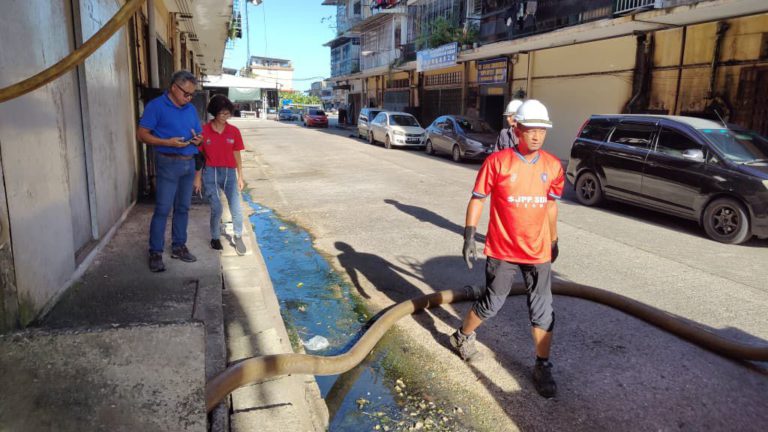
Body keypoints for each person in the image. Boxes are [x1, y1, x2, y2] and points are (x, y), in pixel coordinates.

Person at [452, 99, 564, 399]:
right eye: (531, 129)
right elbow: (478, 199)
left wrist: (553, 240)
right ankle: (462, 336)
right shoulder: (498, 162)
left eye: (542, 130)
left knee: (543, 309)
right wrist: (468, 235)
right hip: (502, 249)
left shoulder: (553, 167)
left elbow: (550, 205)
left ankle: (542, 364)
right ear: (517, 129)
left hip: (538, 250)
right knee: (492, 302)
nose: (537, 136)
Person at [137, 70, 203, 272]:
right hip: (168, 162)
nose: (189, 98)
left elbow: (198, 132)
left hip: (188, 163)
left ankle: (178, 246)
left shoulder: (190, 109)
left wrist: (198, 139)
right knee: (163, 209)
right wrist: (167, 142)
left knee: (183, 208)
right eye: (186, 93)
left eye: (192, 94)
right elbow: (142, 135)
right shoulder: (156, 107)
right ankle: (155, 252)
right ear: (174, 87)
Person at [193, 95, 247, 255]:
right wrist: (197, 178)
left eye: (228, 113)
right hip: (211, 173)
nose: (226, 116)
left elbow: (237, 153)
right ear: (214, 113)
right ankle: (215, 237)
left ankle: (238, 236)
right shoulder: (203, 131)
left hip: (229, 173)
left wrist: (240, 176)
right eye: (222, 113)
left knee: (236, 206)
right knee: (217, 207)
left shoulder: (234, 131)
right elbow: (199, 157)